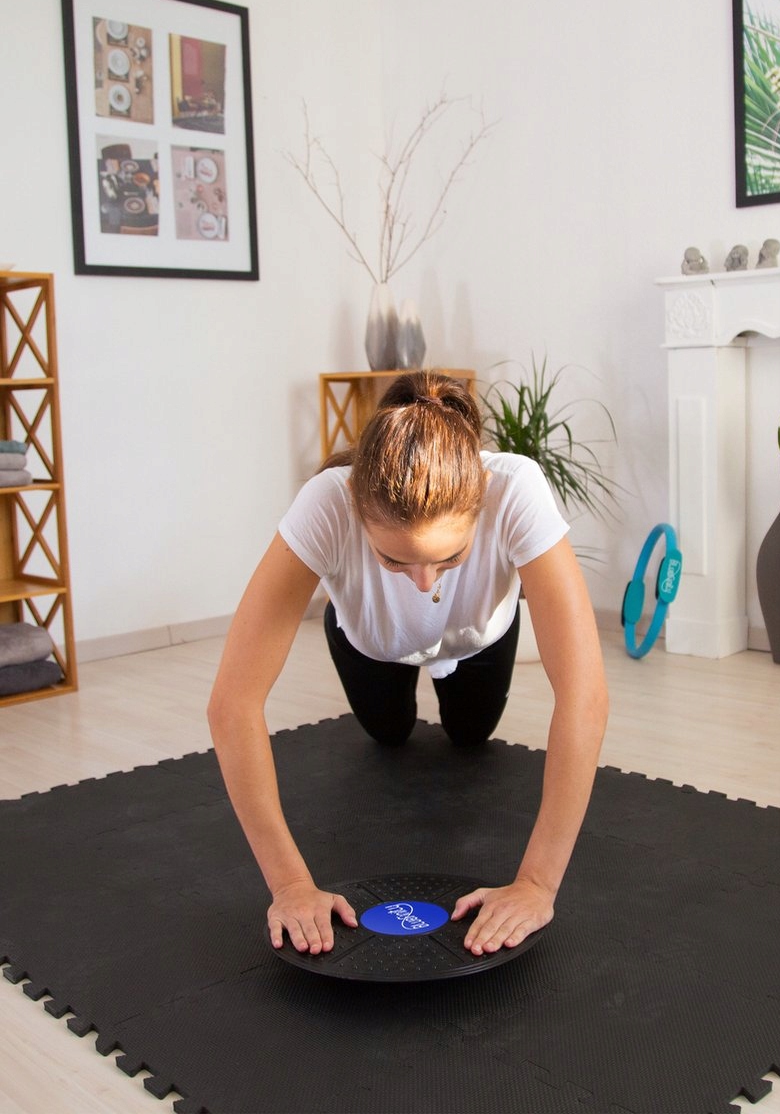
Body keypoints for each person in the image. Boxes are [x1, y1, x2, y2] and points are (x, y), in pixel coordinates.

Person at [207, 370, 609, 958]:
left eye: (450, 557)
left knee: (470, 735)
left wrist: (536, 885)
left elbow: (583, 696)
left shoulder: (514, 487)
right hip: (372, 640)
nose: (423, 583)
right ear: (356, 506)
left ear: (481, 497)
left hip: (477, 639)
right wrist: (290, 885)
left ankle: (455, 683)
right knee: (389, 733)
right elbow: (233, 704)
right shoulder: (328, 500)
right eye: (393, 561)